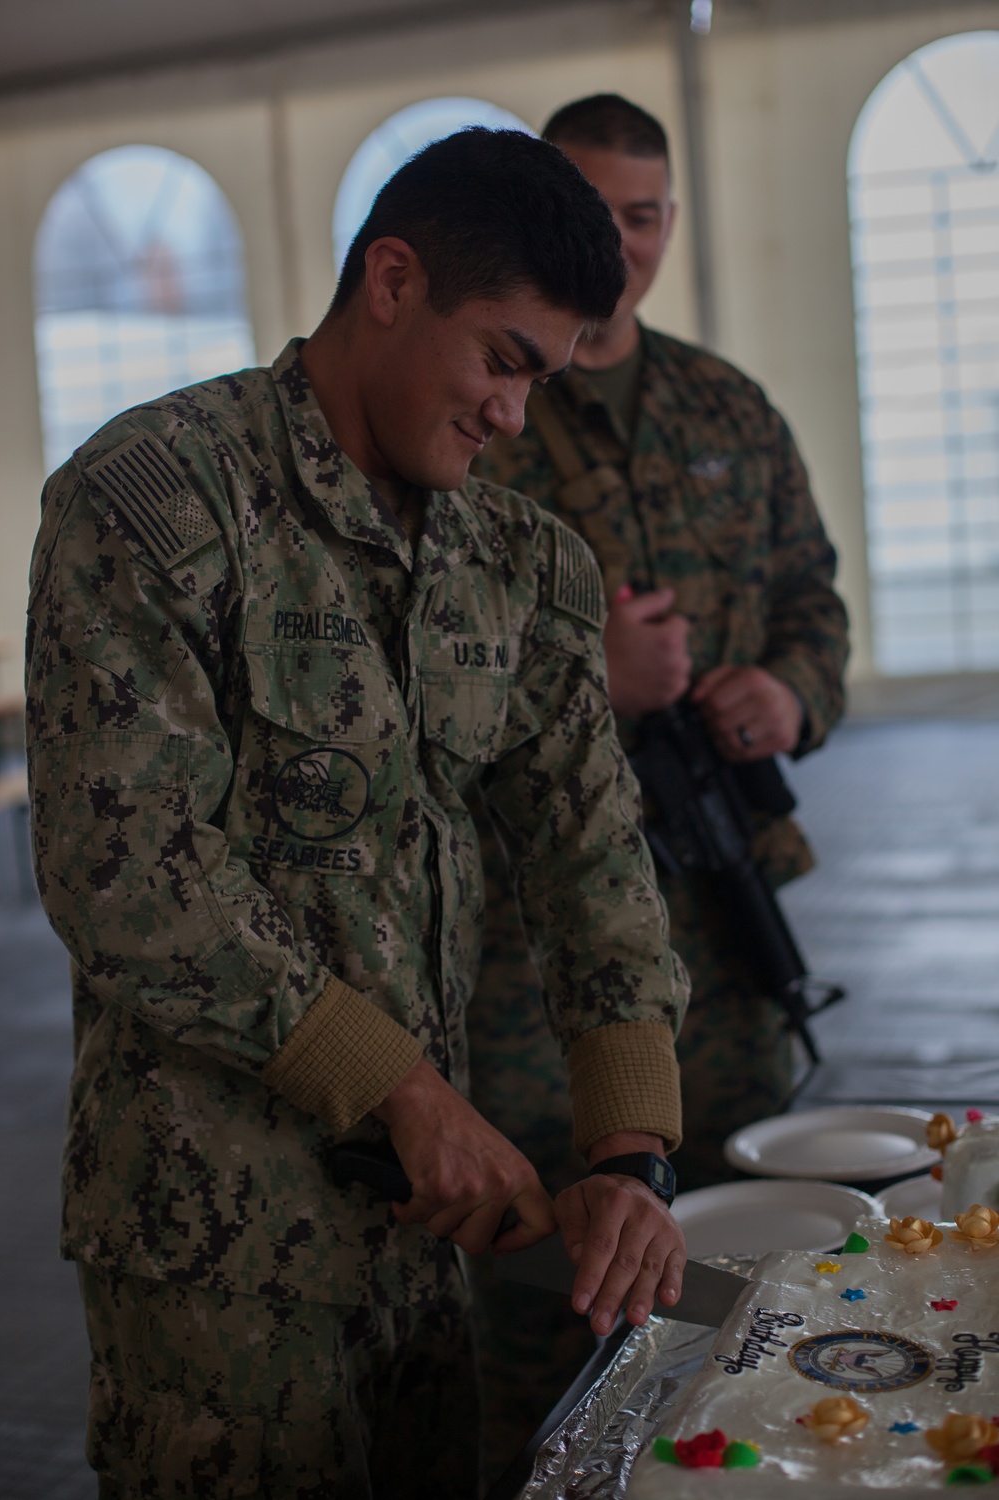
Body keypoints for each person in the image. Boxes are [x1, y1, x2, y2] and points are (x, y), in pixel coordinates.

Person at [25, 126, 692, 1500]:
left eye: (545, 379)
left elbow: (593, 852)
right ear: (392, 280)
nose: (518, 415)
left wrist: (629, 1154)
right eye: (503, 360)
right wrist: (402, 1089)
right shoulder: (155, 504)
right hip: (218, 1246)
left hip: (426, 1229)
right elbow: (123, 868)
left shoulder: (520, 563)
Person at [467, 94, 849, 1474]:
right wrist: (589, 669)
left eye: (642, 218)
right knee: (549, 1284)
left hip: (723, 926)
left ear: (671, 225)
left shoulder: (725, 408)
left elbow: (816, 598)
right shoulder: (485, 391)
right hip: (528, 953)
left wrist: (793, 692)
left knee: (747, 1260)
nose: (618, 245)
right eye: (591, 211)